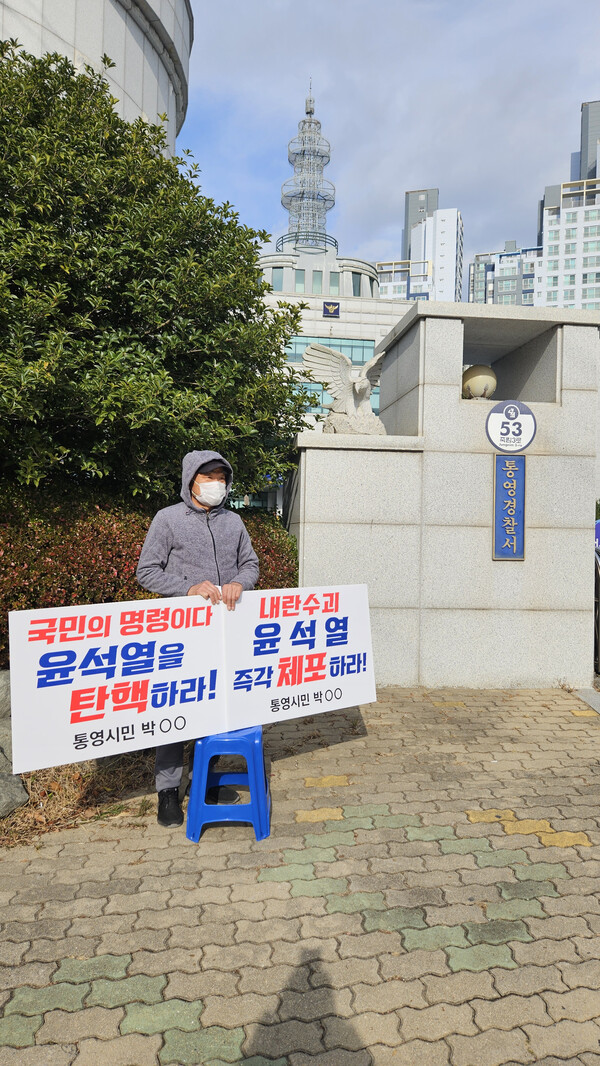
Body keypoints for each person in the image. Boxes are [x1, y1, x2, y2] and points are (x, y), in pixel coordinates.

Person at [136, 449, 260, 827]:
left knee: (215, 709)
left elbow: (250, 564)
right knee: (176, 712)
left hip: (224, 633)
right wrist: (188, 588)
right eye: (209, 477)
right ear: (191, 480)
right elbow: (146, 571)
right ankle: (168, 791)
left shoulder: (234, 521)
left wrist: (240, 582)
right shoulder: (168, 519)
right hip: (181, 634)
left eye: (222, 478)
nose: (216, 484)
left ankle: (203, 781)